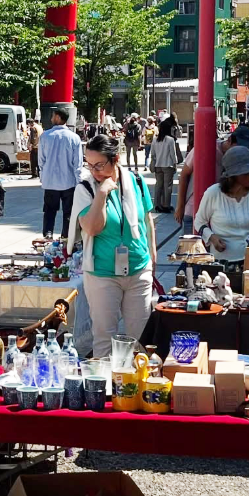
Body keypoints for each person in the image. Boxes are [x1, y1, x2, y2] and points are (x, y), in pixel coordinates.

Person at [67, 136, 156, 358]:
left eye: (99, 165)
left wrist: (152, 257)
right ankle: (105, 390)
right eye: (89, 165)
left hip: (138, 269)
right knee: (105, 340)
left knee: (140, 340)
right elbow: (92, 228)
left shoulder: (135, 181)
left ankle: (135, 390)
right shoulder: (85, 189)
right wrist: (102, 194)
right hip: (102, 273)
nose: (94, 171)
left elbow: (147, 220)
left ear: (115, 159)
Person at [194, 146, 249, 272]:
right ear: (233, 176)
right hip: (225, 262)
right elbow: (199, 222)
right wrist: (211, 237)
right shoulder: (213, 193)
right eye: (246, 173)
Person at [174, 129, 249, 233]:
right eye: (239, 148)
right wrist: (180, 206)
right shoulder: (205, 147)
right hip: (194, 208)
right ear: (229, 140)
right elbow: (184, 175)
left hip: (222, 215)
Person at [39, 107, 83, 239]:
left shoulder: (45, 136)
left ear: (58, 117)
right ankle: (66, 237)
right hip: (68, 181)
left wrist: (42, 176)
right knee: (68, 212)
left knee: (49, 210)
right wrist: (79, 181)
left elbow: (41, 160)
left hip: (50, 181)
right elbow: (78, 163)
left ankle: (48, 234)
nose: (51, 118)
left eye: (53, 116)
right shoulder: (74, 138)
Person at [149, 117, 178, 213]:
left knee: (158, 185)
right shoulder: (170, 140)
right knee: (168, 186)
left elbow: (152, 154)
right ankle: (166, 205)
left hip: (158, 165)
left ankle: (157, 204)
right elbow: (173, 154)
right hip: (168, 165)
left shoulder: (155, 140)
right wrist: (175, 165)